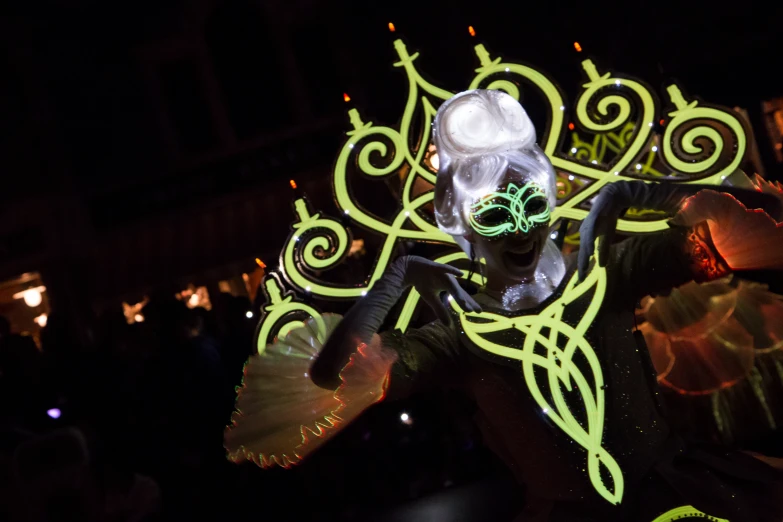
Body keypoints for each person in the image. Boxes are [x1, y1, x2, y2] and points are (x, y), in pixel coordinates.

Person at [226, 90, 783, 521]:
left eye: (532, 202)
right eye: (494, 212)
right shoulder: (458, 335)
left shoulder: (607, 271)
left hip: (676, 496)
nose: (521, 228)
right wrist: (395, 278)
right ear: (460, 220)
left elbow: (764, 226)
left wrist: (639, 192)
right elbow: (327, 376)